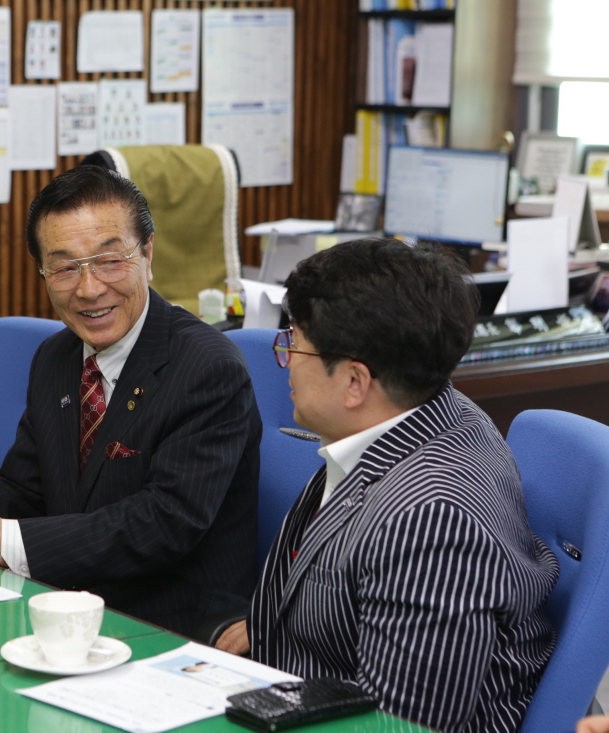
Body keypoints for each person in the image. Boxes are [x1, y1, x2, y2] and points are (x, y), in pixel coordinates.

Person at [0, 165, 262, 637]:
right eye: (65, 267)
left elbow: (162, 524)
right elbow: (26, 489)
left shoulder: (206, 367)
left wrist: (1, 540)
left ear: (149, 255)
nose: (90, 288)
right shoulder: (56, 356)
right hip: (60, 606)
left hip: (166, 624)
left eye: (110, 260)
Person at [215, 238, 558, 733]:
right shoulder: (438, 408)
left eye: (296, 343)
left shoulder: (434, 521)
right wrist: (281, 628)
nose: (285, 358)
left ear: (355, 382)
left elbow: (397, 725)